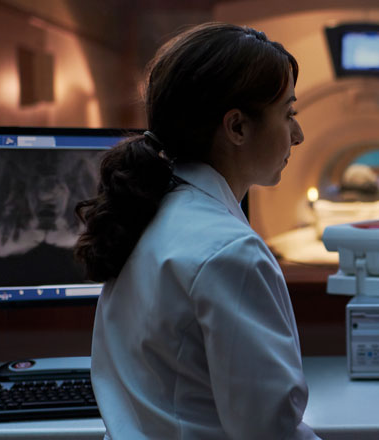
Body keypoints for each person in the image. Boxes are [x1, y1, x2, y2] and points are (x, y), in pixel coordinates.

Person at [74, 23, 318, 439]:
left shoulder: (145, 213)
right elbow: (269, 430)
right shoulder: (230, 252)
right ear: (237, 127)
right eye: (288, 114)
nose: (297, 135)